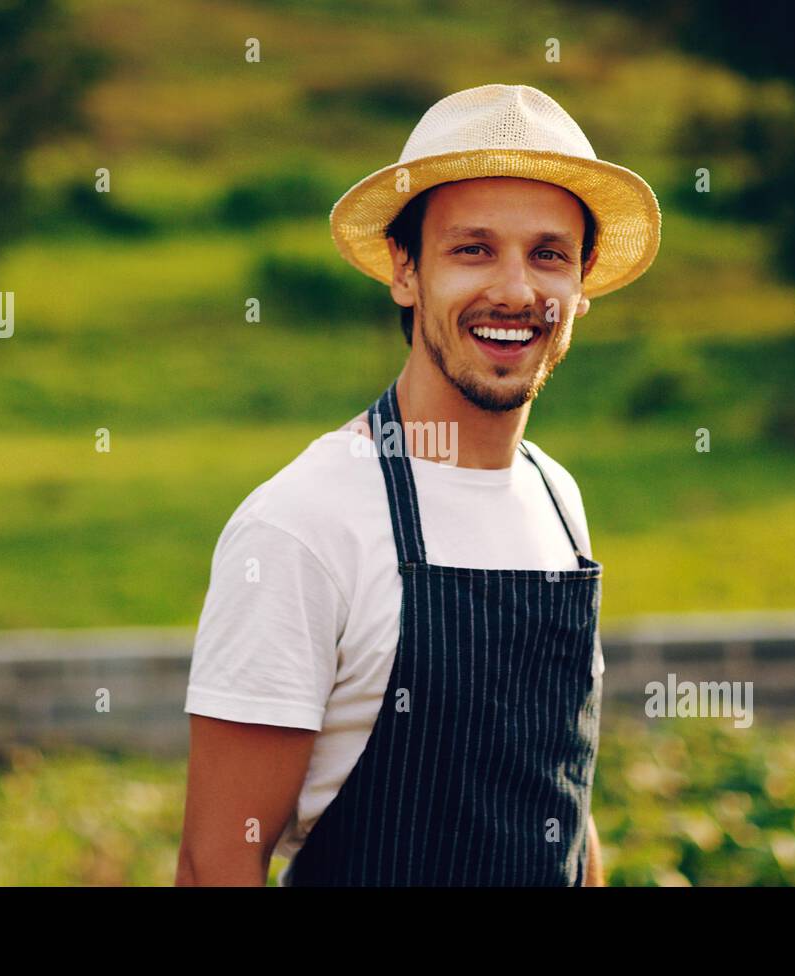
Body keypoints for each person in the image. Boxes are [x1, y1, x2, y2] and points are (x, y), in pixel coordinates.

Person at [176, 83, 661, 886]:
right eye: (473, 249)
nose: (515, 290)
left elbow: (556, 797)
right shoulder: (305, 523)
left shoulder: (555, 498)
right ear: (405, 270)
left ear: (583, 284)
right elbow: (217, 858)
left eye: (548, 254)